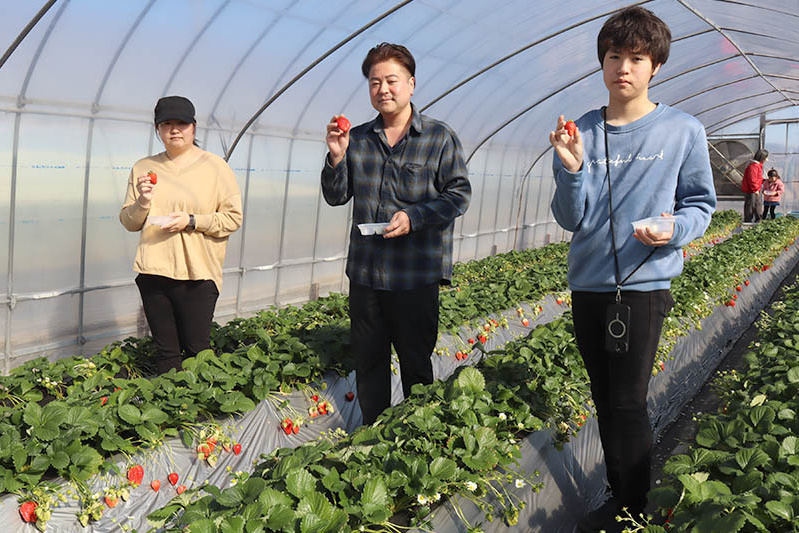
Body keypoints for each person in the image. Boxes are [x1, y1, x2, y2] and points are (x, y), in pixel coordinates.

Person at [548, 7, 716, 532]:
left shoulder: (682, 130)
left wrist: (674, 230)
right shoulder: (582, 131)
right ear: (602, 62)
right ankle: (623, 498)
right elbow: (571, 218)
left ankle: (634, 510)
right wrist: (572, 167)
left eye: (636, 58)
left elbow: (701, 204)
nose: (623, 66)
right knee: (605, 397)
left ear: (655, 66)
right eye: (614, 55)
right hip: (589, 284)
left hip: (642, 288)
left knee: (627, 400)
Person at [321, 43, 471, 425]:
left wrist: (415, 217)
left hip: (415, 276)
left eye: (391, 80)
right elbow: (336, 197)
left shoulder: (438, 138)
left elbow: (458, 195)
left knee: (415, 364)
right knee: (369, 363)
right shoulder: (356, 139)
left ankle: (415, 436)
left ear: (411, 84)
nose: (383, 89)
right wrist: (337, 157)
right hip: (367, 274)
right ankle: (373, 435)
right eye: (374, 82)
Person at [120, 96, 243, 374]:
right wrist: (142, 202)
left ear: (194, 128)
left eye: (182, 123)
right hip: (154, 272)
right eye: (167, 124)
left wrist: (191, 221)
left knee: (197, 352)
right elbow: (129, 221)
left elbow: (233, 218)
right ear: (157, 129)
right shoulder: (143, 168)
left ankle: (202, 412)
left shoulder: (216, 168)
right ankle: (173, 412)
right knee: (166, 356)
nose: (175, 130)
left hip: (197, 274)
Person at [742, 149, 768, 222]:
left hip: (755, 189)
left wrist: (764, 181)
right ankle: (748, 221)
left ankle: (758, 219)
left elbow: (757, 178)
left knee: (757, 204)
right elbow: (752, 180)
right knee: (751, 205)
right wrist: (755, 189)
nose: (767, 159)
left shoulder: (757, 166)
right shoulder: (753, 166)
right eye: (766, 158)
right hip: (752, 190)